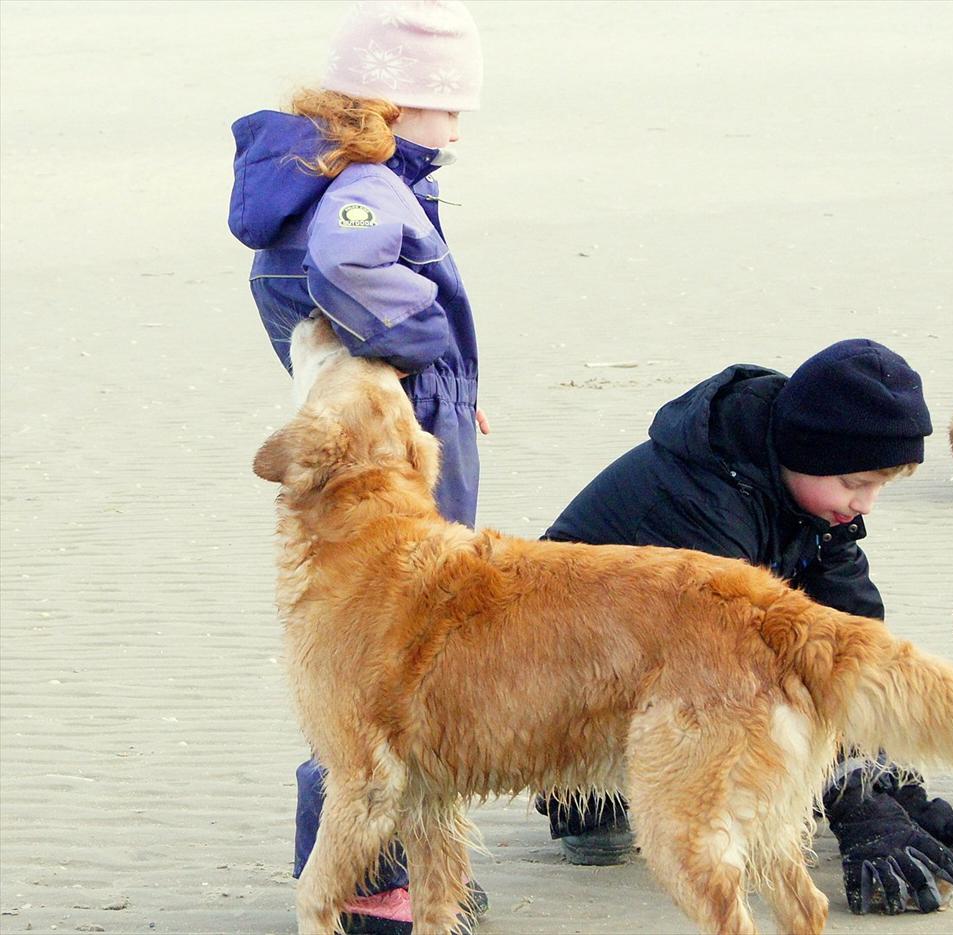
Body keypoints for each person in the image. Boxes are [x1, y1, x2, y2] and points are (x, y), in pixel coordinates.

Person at [534, 339, 953, 915]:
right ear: (809, 451)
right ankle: (586, 798)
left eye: (882, 485)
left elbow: (849, 639)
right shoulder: (701, 506)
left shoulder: (810, 496)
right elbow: (744, 670)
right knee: (751, 689)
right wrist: (857, 802)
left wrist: (895, 784)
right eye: (857, 482)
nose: (868, 503)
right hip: (569, 683)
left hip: (670, 662)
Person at [228, 2, 489, 932]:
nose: (458, 127)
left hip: (384, 432)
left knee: (378, 653)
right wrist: (426, 357)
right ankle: (376, 882)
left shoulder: (316, 173)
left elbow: (313, 314)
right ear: (396, 101)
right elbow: (350, 266)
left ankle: (386, 868)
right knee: (392, 658)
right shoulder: (365, 185)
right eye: (447, 107)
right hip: (403, 453)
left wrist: (446, 376)